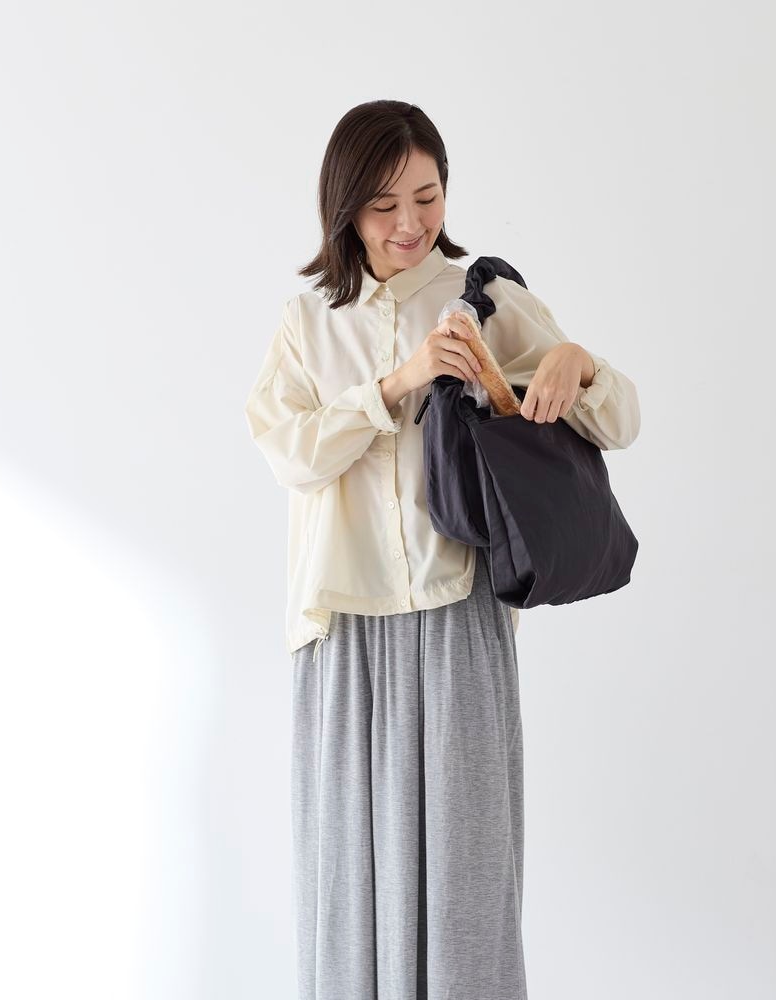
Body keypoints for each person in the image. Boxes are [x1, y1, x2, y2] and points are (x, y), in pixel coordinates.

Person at [244, 100, 640, 1000]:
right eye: (384, 205)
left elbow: (620, 418)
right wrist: (398, 383)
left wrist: (576, 362)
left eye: (427, 197)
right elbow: (289, 453)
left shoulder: (482, 300)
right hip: (341, 633)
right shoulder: (308, 321)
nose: (410, 223)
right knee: (349, 893)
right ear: (344, 207)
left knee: (467, 893)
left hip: (459, 619)